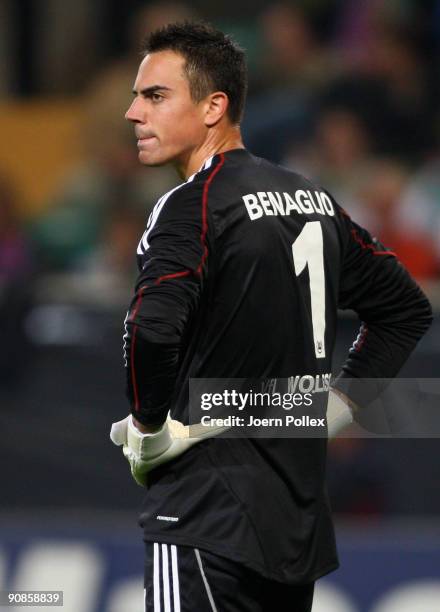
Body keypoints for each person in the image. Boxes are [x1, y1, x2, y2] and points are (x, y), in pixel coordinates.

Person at [110, 22, 432, 611]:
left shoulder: (191, 206)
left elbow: (151, 329)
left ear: (214, 107)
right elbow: (405, 309)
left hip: (205, 513)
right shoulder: (311, 197)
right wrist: (339, 405)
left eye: (155, 96)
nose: (134, 112)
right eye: (137, 95)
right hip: (292, 524)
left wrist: (149, 428)